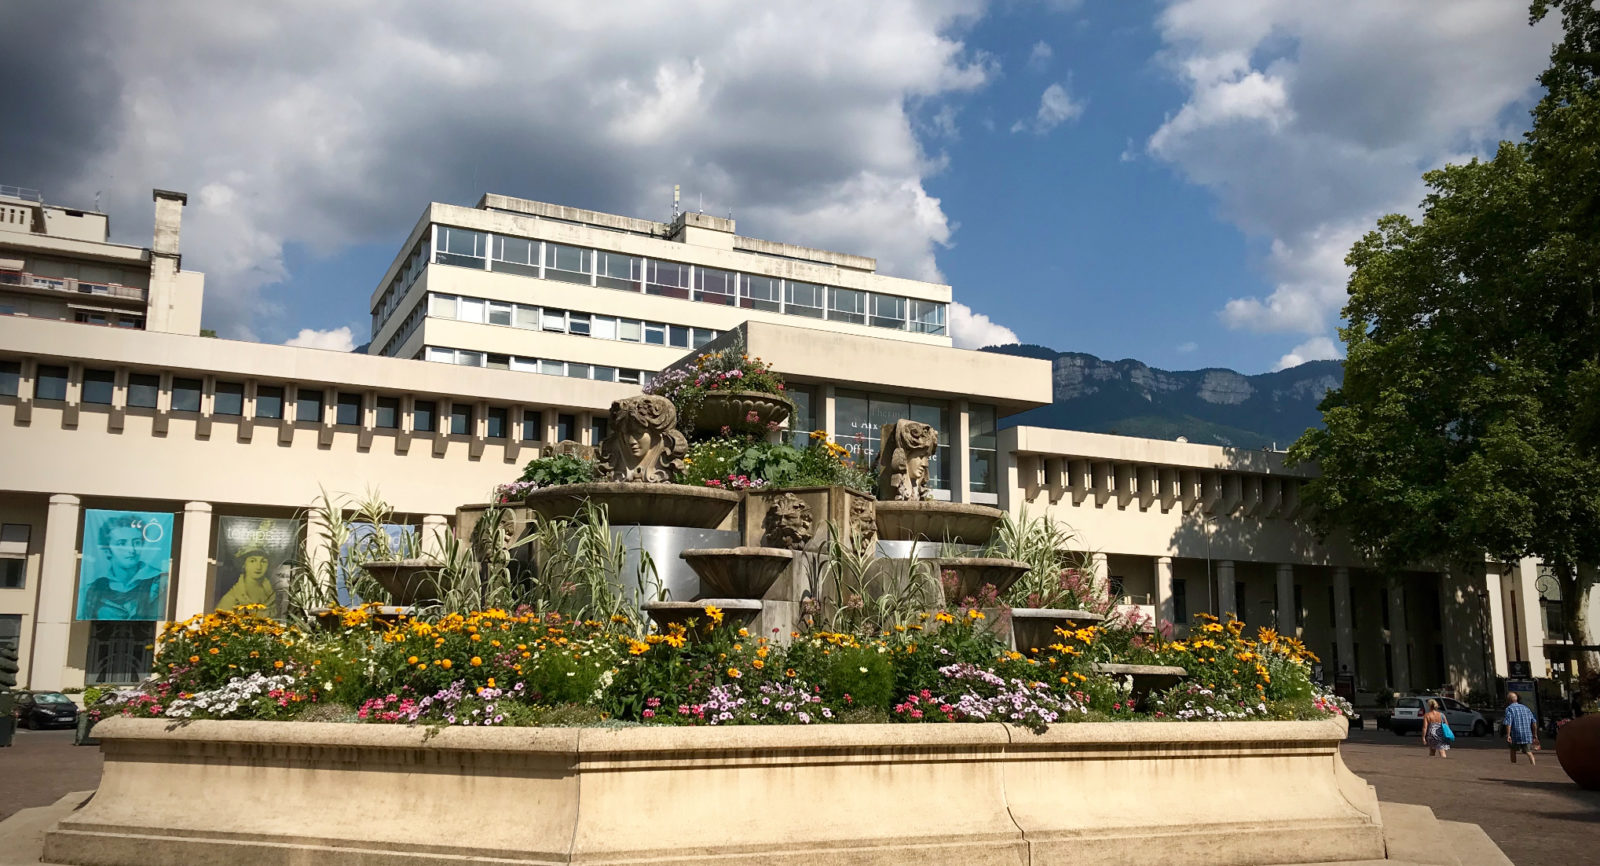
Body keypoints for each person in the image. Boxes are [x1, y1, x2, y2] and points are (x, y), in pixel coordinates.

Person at [77, 515, 168, 621]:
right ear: (107, 550)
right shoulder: (91, 590)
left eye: (137, 542)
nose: (131, 550)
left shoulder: (161, 583)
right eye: (122, 543)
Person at [215, 545, 277, 612]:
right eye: (252, 561)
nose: (258, 567)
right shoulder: (231, 598)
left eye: (263, 561)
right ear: (244, 564)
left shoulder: (271, 595)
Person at [1504, 692, 1538, 764]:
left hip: (1516, 734)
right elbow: (1534, 722)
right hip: (1527, 734)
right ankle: (1534, 765)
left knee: (1513, 750)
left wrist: (1508, 734)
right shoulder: (1526, 708)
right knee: (1528, 752)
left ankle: (1514, 765)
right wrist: (1534, 734)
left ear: (1508, 700)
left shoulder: (1509, 709)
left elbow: (1508, 722)